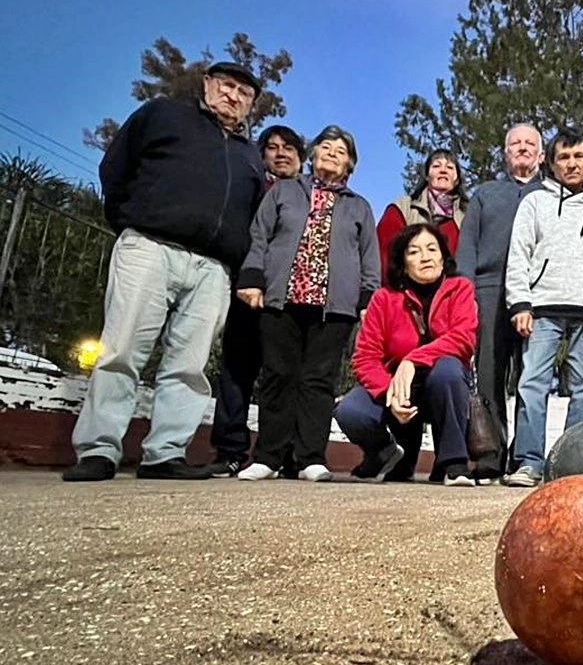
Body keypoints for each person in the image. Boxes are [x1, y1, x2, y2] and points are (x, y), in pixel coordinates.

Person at [63, 62, 265, 482]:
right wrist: (130, 220)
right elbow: (116, 167)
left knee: (190, 365)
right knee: (122, 351)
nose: (233, 96)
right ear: (207, 85)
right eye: (227, 86)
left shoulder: (249, 155)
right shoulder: (164, 115)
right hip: (150, 247)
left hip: (213, 266)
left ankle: (165, 452)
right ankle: (99, 449)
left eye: (244, 93)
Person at [235, 125, 380, 482]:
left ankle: (309, 457)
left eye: (341, 151)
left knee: (318, 380)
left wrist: (366, 298)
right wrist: (252, 278)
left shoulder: (359, 207)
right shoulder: (285, 191)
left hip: (335, 307)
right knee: (277, 375)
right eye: (326, 147)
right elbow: (259, 237)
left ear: (350, 165)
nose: (332, 153)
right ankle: (268, 455)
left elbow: (369, 258)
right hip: (281, 299)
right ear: (312, 155)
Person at [504, 129, 583, 487]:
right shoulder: (535, 203)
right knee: (532, 385)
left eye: (578, 157)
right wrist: (520, 303)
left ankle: (572, 466)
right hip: (542, 308)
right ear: (552, 163)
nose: (571, 164)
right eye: (564, 158)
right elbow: (520, 255)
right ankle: (529, 461)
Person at [336, 223, 481, 486]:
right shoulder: (384, 298)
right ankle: (386, 453)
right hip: (397, 387)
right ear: (402, 263)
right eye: (414, 252)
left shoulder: (460, 288)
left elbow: (463, 340)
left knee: (447, 369)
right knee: (350, 410)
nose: (425, 257)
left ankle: (453, 463)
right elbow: (365, 357)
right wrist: (390, 393)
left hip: (445, 387)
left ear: (443, 256)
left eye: (432, 249)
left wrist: (412, 360)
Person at [206, 125, 305, 478]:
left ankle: (286, 452)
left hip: (291, 302)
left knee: (286, 378)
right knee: (237, 372)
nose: (281, 153)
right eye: (273, 147)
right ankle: (231, 449)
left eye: (289, 148)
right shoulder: (250, 192)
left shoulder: (310, 199)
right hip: (248, 293)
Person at [457, 124, 544, 482]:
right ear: (505, 152)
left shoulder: (551, 194)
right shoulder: (486, 193)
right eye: (515, 143)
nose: (522, 148)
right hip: (489, 289)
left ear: (541, 154)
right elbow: (467, 246)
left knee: (531, 375)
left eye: (530, 144)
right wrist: (466, 293)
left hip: (538, 292)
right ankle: (491, 452)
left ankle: (526, 456)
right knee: (490, 374)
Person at [375, 148, 467, 272]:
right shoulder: (403, 207)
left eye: (450, 168)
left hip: (453, 289)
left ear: (457, 180)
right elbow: (385, 252)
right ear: (427, 176)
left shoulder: (467, 216)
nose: (443, 170)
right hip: (406, 288)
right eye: (436, 166)